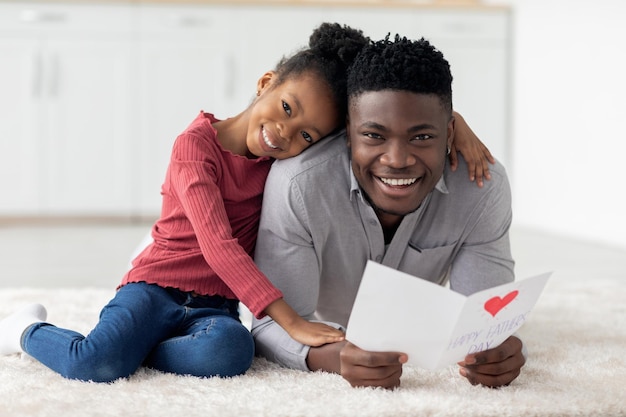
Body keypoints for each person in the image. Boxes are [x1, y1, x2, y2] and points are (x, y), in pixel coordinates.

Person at [0, 24, 492, 383]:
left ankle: (142, 348)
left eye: (306, 135)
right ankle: (27, 329)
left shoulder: (283, 164)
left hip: (213, 304)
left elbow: (381, 117)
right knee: (96, 363)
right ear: (265, 83)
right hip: (156, 285)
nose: (283, 134)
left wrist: (454, 124)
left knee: (231, 354)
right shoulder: (195, 146)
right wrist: (293, 322)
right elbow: (217, 245)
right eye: (285, 108)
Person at [251, 34, 523, 390]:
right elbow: (269, 326)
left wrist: (499, 351)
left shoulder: (481, 187)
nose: (397, 160)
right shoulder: (298, 185)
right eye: (374, 136)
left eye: (422, 137)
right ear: (348, 134)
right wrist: (332, 357)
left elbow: (485, 323)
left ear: (451, 132)